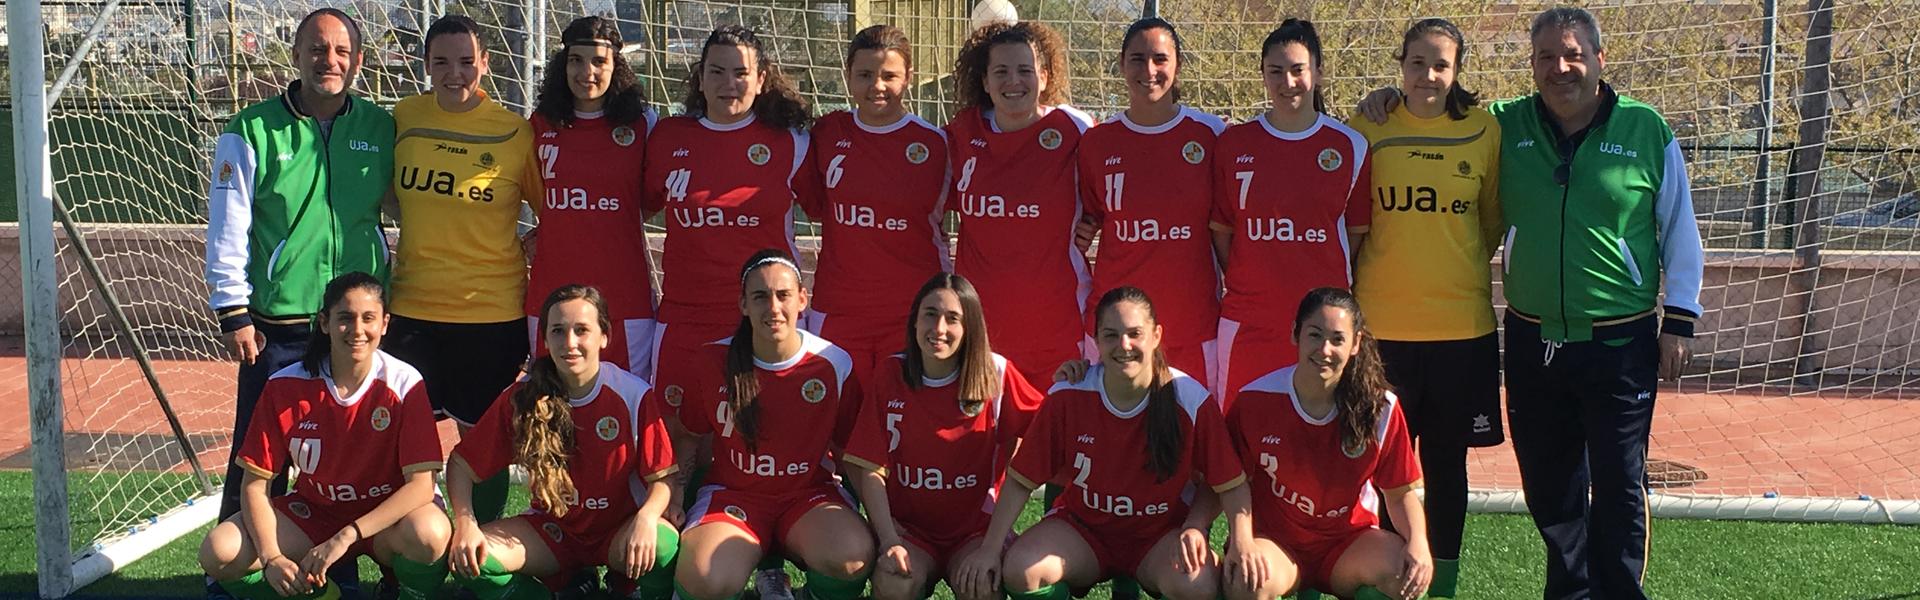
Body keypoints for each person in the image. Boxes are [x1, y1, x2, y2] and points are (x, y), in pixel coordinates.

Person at [1359, 8, 1708, 598]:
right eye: (1547, 56)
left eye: (1573, 54)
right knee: (1550, 489)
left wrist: (1681, 316)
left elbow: (1679, 226)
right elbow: (1438, 100)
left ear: (1600, 59)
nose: (1560, 67)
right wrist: (1397, 91)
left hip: (1619, 341)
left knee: (1620, 485)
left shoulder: (1646, 129)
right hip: (1530, 341)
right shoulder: (1503, 123)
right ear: (1533, 65)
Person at [203, 6, 394, 533]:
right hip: (278, 329)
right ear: (296, 56)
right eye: (316, 48)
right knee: (260, 460)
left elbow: (410, 204)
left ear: (357, 61)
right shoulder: (251, 129)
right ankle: (235, 577)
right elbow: (227, 226)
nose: (327, 60)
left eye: (340, 51)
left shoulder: (381, 127)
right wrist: (233, 310)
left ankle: (342, 570)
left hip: (358, 326)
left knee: (354, 459)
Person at [1344, 18, 1504, 599]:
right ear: (1401, 65)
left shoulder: (1485, 130)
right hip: (1381, 329)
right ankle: (1389, 579)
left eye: (1441, 64)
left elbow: (1490, 222)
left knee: (1446, 466)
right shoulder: (1368, 126)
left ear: (1457, 69)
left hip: (1461, 330)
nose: (1429, 75)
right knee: (1380, 466)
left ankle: (1445, 584)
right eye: (1418, 63)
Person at [953, 286, 1249, 600]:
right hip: (1084, 531)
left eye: (1135, 333)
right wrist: (989, 549)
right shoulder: (1071, 393)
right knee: (1022, 569)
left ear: (1156, 335)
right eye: (1111, 335)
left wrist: (1199, 526)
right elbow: (1020, 480)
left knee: (1197, 584)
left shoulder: (1189, 399)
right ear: (1096, 340)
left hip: (1159, 537)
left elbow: (1227, 483)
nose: (1124, 345)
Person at [198, 272, 448, 600]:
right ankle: (325, 595)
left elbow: (420, 487)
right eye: (345, 318)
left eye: (368, 318)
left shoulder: (404, 383)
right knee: (220, 551)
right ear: (325, 323)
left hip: (389, 518)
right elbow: (254, 486)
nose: (358, 330)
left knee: (430, 533)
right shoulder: (284, 385)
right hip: (316, 512)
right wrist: (272, 557)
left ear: (385, 324)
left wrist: (347, 535)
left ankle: (405, 592)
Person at [384, 14, 541, 523]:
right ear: (425, 66)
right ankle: (414, 562)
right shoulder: (402, 117)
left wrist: (532, 243)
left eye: (466, 62)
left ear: (486, 65)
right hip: (411, 308)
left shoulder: (515, 132)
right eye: (442, 62)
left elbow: (554, 213)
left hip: (490, 315)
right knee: (407, 445)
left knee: (482, 444)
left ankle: (485, 546)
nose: (455, 73)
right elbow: (383, 195)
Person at [446, 285, 681, 600]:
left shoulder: (632, 395)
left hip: (617, 531)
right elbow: (461, 464)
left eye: (582, 330)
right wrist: (466, 523)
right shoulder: (522, 398)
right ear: (545, 339)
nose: (570, 343)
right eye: (558, 331)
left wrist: (647, 516)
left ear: (604, 336)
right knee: (470, 559)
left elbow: (663, 478)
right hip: (552, 533)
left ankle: (627, 586)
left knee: (664, 543)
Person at [671, 250, 873, 600]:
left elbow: (850, 453)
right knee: (705, 580)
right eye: (760, 297)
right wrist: (677, 496)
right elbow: (690, 438)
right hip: (734, 497)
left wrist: (878, 522)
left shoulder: (833, 364)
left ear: (802, 300)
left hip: (808, 495)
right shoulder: (710, 361)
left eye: (783, 295)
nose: (773, 307)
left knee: (851, 557)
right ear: (743, 304)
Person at [843, 273, 1044, 600]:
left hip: (975, 533)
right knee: (895, 582)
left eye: (953, 319)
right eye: (930, 314)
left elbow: (1049, 431)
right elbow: (866, 464)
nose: (938, 329)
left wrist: (993, 544)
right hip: (911, 532)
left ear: (971, 328)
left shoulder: (996, 374)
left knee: (983, 586)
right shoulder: (892, 374)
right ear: (914, 320)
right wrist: (889, 536)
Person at [1221, 287, 1430, 600]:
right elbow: (1232, 481)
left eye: (1337, 339)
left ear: (1356, 344)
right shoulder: (1255, 400)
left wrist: (1419, 544)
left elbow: (1399, 493)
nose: (1325, 349)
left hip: (1348, 543)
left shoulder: (1380, 408)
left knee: (1405, 574)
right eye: (1315, 335)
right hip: (1276, 543)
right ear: (1296, 335)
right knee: (1246, 581)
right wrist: (1241, 540)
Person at [1210, 19, 1372, 408]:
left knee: (1320, 429)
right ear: (1263, 75)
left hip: (1323, 326)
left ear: (1317, 71)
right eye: (1276, 71)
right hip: (1250, 319)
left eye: (1298, 69)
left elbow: (1354, 235)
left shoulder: (1351, 146)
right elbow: (1222, 231)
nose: (1288, 82)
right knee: (1239, 426)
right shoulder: (1233, 144)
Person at [945, 20, 1097, 391]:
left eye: (1025, 70)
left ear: (1044, 77)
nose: (1014, 81)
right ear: (984, 81)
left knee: (1057, 439)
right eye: (1001, 71)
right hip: (980, 327)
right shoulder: (960, 134)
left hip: (1057, 325)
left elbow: (1114, 189)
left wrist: (1092, 220)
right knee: (984, 443)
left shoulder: (1076, 128)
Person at [1075, 17, 1225, 391]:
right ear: (1122, 64)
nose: (1149, 70)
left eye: (1160, 58)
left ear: (1178, 64)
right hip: (1116, 326)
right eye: (1137, 59)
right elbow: (1089, 214)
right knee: (1117, 432)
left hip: (1191, 321)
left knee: (1187, 433)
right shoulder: (1097, 142)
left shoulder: (1212, 135)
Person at [807, 24, 954, 388]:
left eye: (889, 75)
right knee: (841, 422)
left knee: (907, 419)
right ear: (848, 77)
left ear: (909, 78)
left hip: (914, 312)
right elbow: (812, 206)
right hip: (839, 310)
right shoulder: (827, 134)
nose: (877, 86)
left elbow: (981, 210)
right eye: (865, 74)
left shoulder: (936, 145)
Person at [525, 16, 660, 376]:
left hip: (624, 297)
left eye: (599, 61)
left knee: (625, 404)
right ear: (563, 64)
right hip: (550, 294)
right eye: (576, 60)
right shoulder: (539, 125)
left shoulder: (644, 124)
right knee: (552, 405)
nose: (587, 71)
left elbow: (652, 200)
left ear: (616, 66)